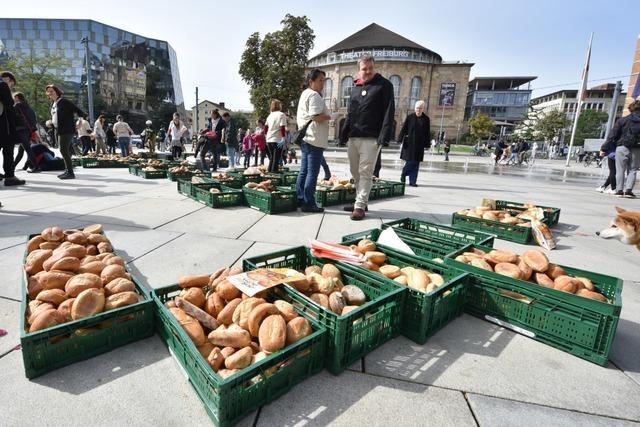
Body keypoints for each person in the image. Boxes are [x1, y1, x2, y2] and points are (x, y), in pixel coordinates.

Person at [339, 55, 395, 220]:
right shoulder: (355, 87)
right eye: (364, 68)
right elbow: (351, 113)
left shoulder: (384, 85)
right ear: (359, 69)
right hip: (354, 136)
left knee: (365, 172)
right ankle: (361, 200)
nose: (368, 71)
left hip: (372, 137)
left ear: (374, 67)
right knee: (354, 171)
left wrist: (384, 135)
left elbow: (389, 111)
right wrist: (344, 133)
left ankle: (360, 206)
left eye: (370, 67)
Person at [296, 69, 332, 213]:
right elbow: (315, 116)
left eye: (324, 80)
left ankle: (300, 198)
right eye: (320, 80)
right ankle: (309, 203)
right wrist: (330, 116)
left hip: (307, 138)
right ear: (311, 81)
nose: (322, 83)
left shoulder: (305, 93)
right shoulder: (314, 95)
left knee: (304, 171)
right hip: (314, 138)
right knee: (312, 172)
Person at [45, 84, 85, 179]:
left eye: (52, 91)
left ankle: (70, 172)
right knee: (63, 150)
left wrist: (79, 122)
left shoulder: (63, 101)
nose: (50, 93)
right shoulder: (53, 104)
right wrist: (50, 122)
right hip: (58, 129)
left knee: (63, 150)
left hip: (67, 129)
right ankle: (68, 171)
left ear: (56, 91)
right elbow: (55, 117)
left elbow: (79, 111)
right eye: (48, 92)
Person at [608, 100, 640, 198]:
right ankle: (629, 191)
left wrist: (605, 147)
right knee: (633, 170)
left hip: (622, 147)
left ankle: (619, 190)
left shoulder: (622, 120)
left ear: (630, 109)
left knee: (620, 170)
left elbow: (613, 134)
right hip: (637, 148)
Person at [0, 71, 26, 185]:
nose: (11, 86)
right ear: (8, 80)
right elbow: (9, 102)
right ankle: (10, 177)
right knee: (8, 150)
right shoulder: (2, 85)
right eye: (12, 84)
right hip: (5, 125)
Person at [398, 100, 430, 187]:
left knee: (416, 163)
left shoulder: (426, 119)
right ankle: (404, 173)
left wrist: (427, 144)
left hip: (420, 144)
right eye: (417, 108)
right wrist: (400, 139)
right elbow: (404, 128)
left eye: (420, 108)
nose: (418, 110)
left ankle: (412, 181)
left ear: (423, 109)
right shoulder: (410, 117)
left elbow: (427, 132)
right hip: (409, 143)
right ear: (414, 108)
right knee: (411, 161)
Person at [13, 92, 41, 173]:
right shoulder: (29, 107)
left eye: (14, 98)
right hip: (29, 131)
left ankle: (36, 167)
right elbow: (34, 120)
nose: (13, 99)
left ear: (17, 97)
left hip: (21, 130)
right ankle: (13, 167)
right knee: (21, 150)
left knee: (28, 149)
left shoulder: (17, 105)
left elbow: (13, 117)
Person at [264, 100, 287, 173]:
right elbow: (282, 127)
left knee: (272, 158)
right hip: (277, 139)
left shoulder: (270, 115)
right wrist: (283, 138)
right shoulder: (281, 114)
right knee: (276, 159)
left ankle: (269, 174)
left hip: (269, 139)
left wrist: (266, 137)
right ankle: (274, 174)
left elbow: (265, 128)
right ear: (279, 105)